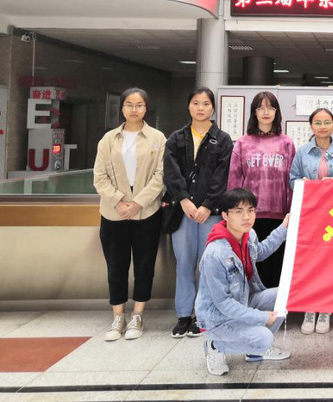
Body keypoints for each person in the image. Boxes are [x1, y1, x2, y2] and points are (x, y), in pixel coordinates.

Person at [92, 87, 166, 342]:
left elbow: (160, 176)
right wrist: (118, 201)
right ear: (122, 108)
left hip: (147, 213)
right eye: (129, 105)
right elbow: (99, 177)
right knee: (116, 265)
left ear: (146, 108)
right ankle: (118, 317)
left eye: (139, 105)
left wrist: (138, 203)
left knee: (145, 265)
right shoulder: (108, 139)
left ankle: (138, 315)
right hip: (114, 213)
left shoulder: (157, 138)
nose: (134, 109)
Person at [196, 188, 291, 376]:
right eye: (238, 211)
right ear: (225, 215)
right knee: (264, 338)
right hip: (217, 318)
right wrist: (261, 317)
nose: (246, 217)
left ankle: (254, 352)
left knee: (284, 295)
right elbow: (223, 303)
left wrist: (284, 227)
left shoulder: (249, 235)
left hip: (243, 301)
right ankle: (215, 345)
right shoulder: (215, 254)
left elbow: (261, 252)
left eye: (251, 210)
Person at [163, 86, 233, 338]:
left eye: (205, 103)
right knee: (184, 263)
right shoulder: (176, 138)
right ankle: (184, 315)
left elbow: (222, 176)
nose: (200, 108)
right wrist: (183, 199)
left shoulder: (222, 139)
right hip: (182, 210)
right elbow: (170, 172)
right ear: (188, 106)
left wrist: (207, 205)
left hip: (210, 213)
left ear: (213, 107)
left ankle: (205, 313)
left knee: (208, 264)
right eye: (195, 103)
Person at [289, 108, 333, 335]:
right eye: (317, 122)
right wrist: (304, 183)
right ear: (311, 126)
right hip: (310, 214)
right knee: (309, 262)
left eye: (327, 122)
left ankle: (325, 308)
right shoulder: (302, 152)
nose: (322, 126)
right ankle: (309, 308)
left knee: (330, 262)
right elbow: (292, 179)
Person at [227, 91, 295, 287]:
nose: (266, 112)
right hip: (249, 216)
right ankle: (254, 305)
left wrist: (291, 212)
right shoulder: (243, 142)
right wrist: (234, 212)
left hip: (280, 216)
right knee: (253, 264)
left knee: (278, 265)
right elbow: (234, 179)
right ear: (254, 112)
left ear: (276, 112)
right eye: (261, 107)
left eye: (270, 107)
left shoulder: (286, 143)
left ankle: (276, 304)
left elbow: (292, 180)